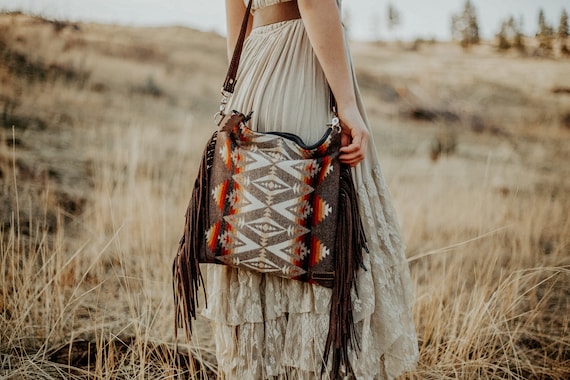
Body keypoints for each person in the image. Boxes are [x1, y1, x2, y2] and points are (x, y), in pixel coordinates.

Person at [200, 0, 419, 378]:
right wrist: (346, 104)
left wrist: (252, 79)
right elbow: (314, 3)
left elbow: (238, 17)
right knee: (315, 226)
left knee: (254, 229)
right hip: (301, 63)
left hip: (257, 69)